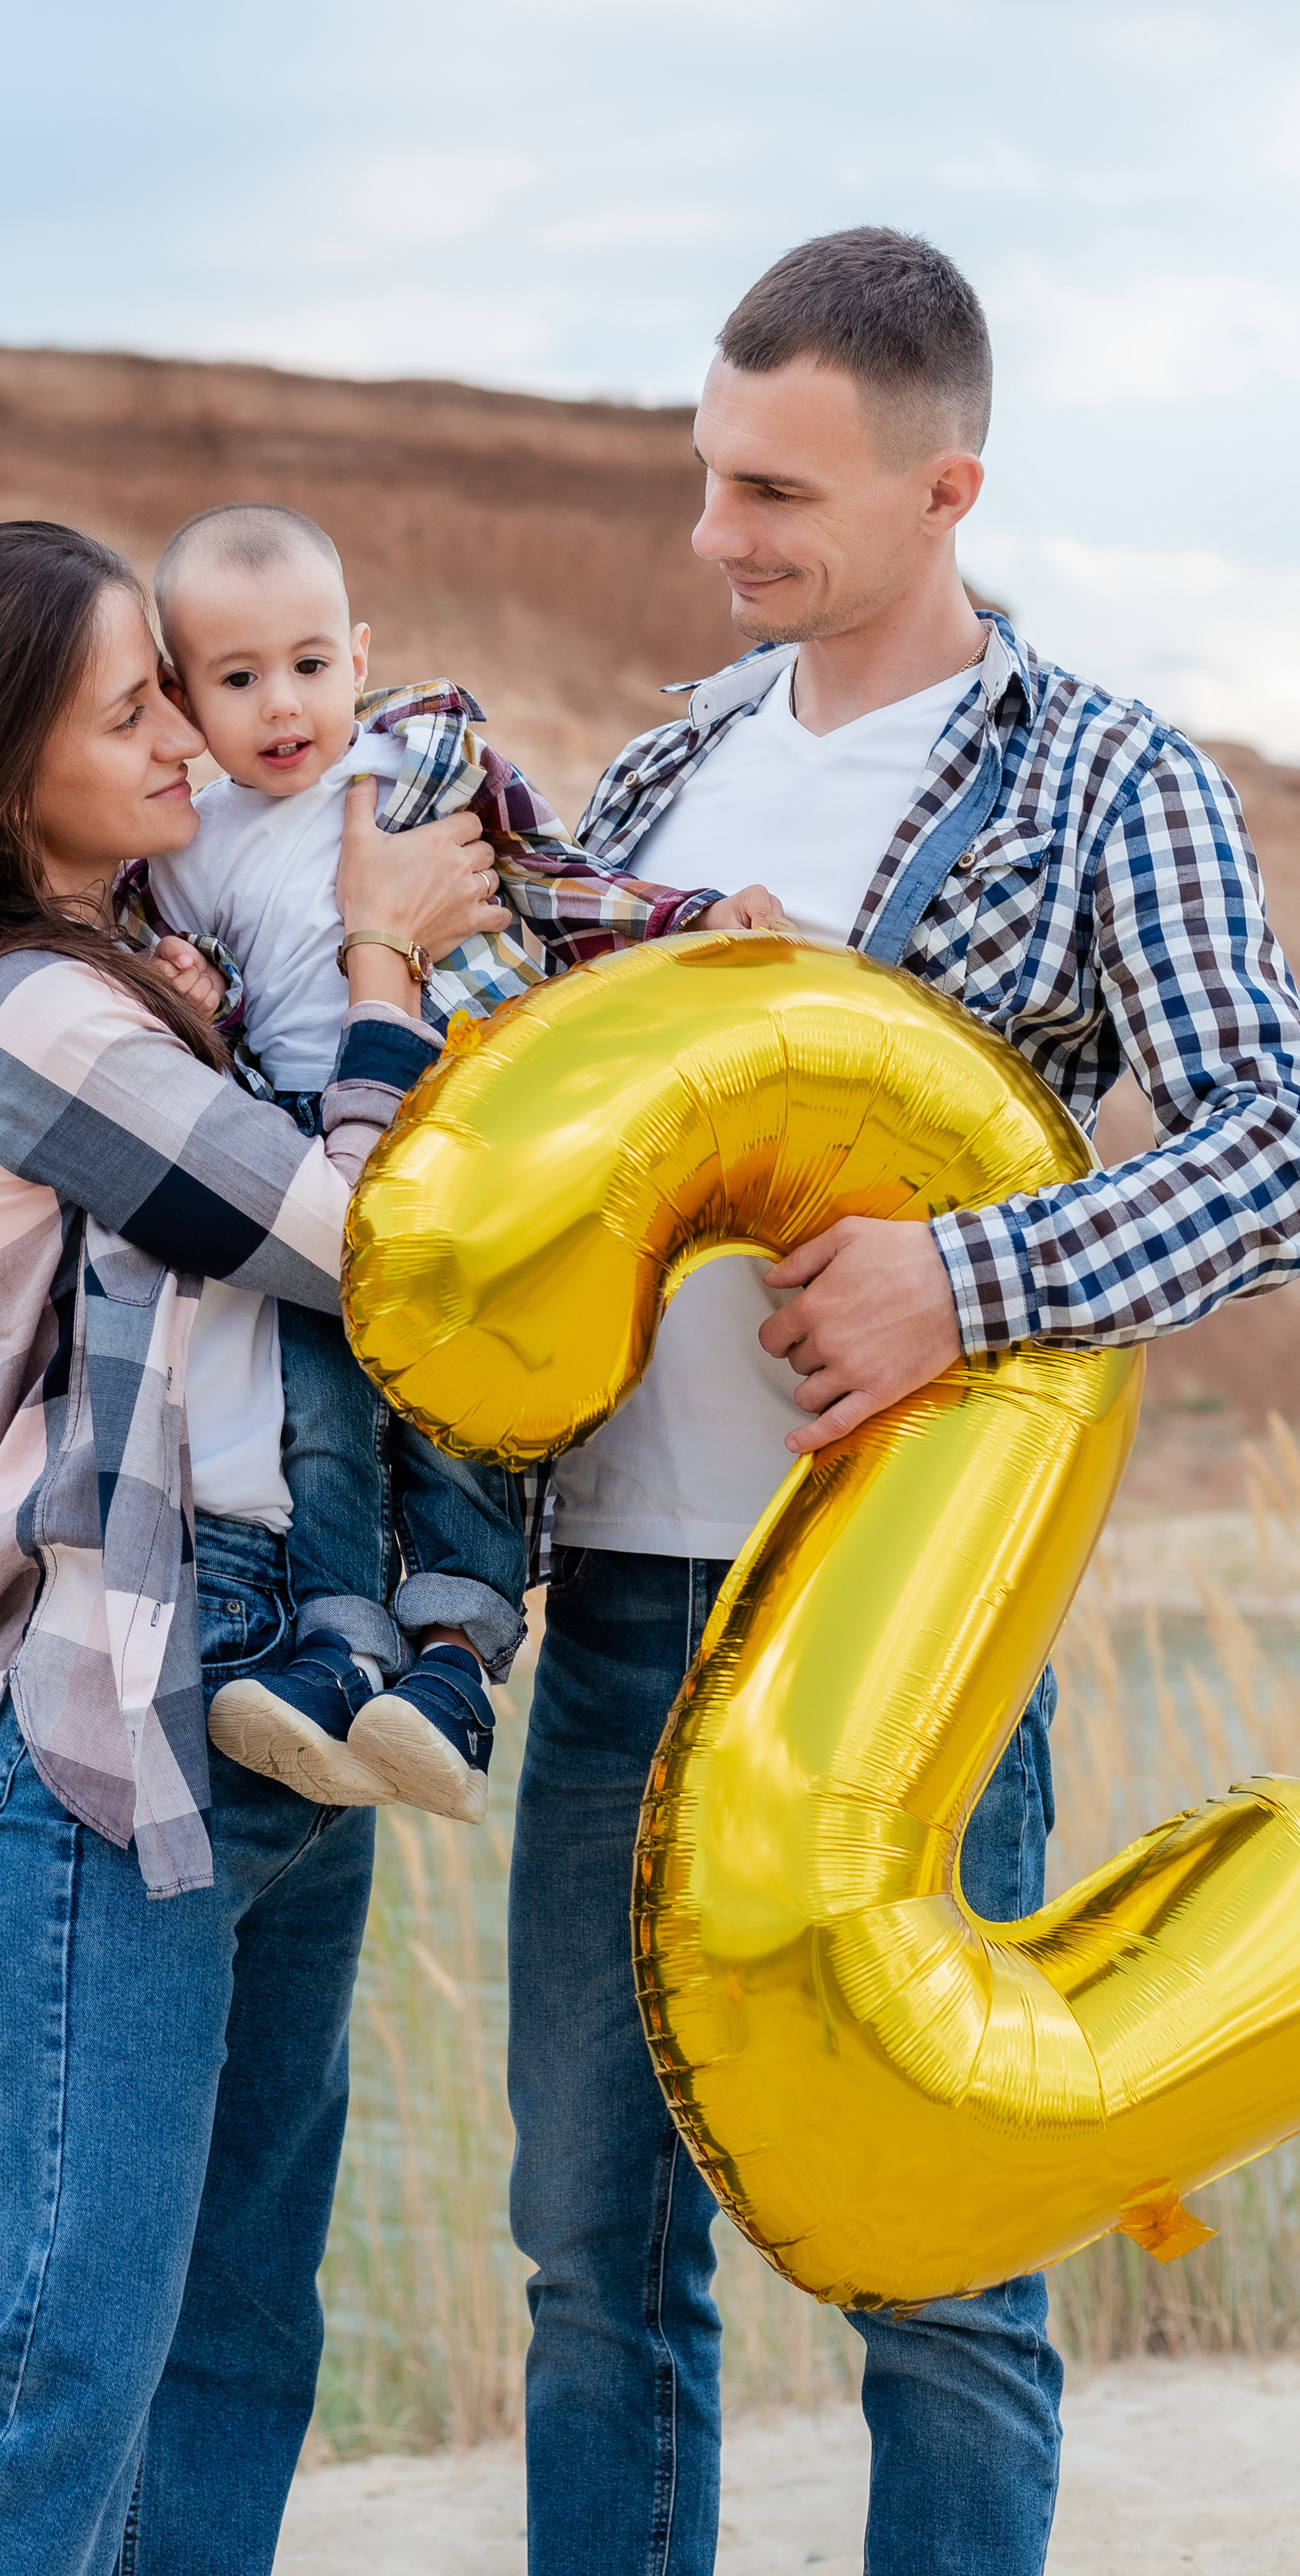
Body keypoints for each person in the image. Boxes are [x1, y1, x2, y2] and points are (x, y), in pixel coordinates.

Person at [510, 227, 1300, 2575]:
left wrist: (974, 1272)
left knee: (942, 2276)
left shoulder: (1110, 782)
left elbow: (1276, 1135)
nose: (717, 536)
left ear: (947, 489)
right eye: (708, 476)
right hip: (623, 1612)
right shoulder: (651, 775)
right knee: (585, 2258)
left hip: (904, 1665)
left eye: (778, 494)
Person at [0, 517, 502, 2575]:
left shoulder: (163, 969)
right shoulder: (29, 1020)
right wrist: (383, 957)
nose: (195, 741)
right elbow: (352, 1238)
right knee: (51, 2356)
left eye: (178, 694)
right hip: (113, 1715)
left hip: (289, 1668)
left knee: (233, 2338)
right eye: (136, 711)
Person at [131, 499, 780, 1822]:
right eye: (238, 679)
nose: (283, 704)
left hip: (469, 1137)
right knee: (324, 1414)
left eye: (310, 664)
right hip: (314, 1169)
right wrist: (190, 992)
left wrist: (695, 918)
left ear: (359, 656)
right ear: (184, 698)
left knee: (456, 1421)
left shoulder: (417, 764)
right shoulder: (185, 849)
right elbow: (203, 1020)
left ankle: (453, 1666)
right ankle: (336, 1647)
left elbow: (550, 880)